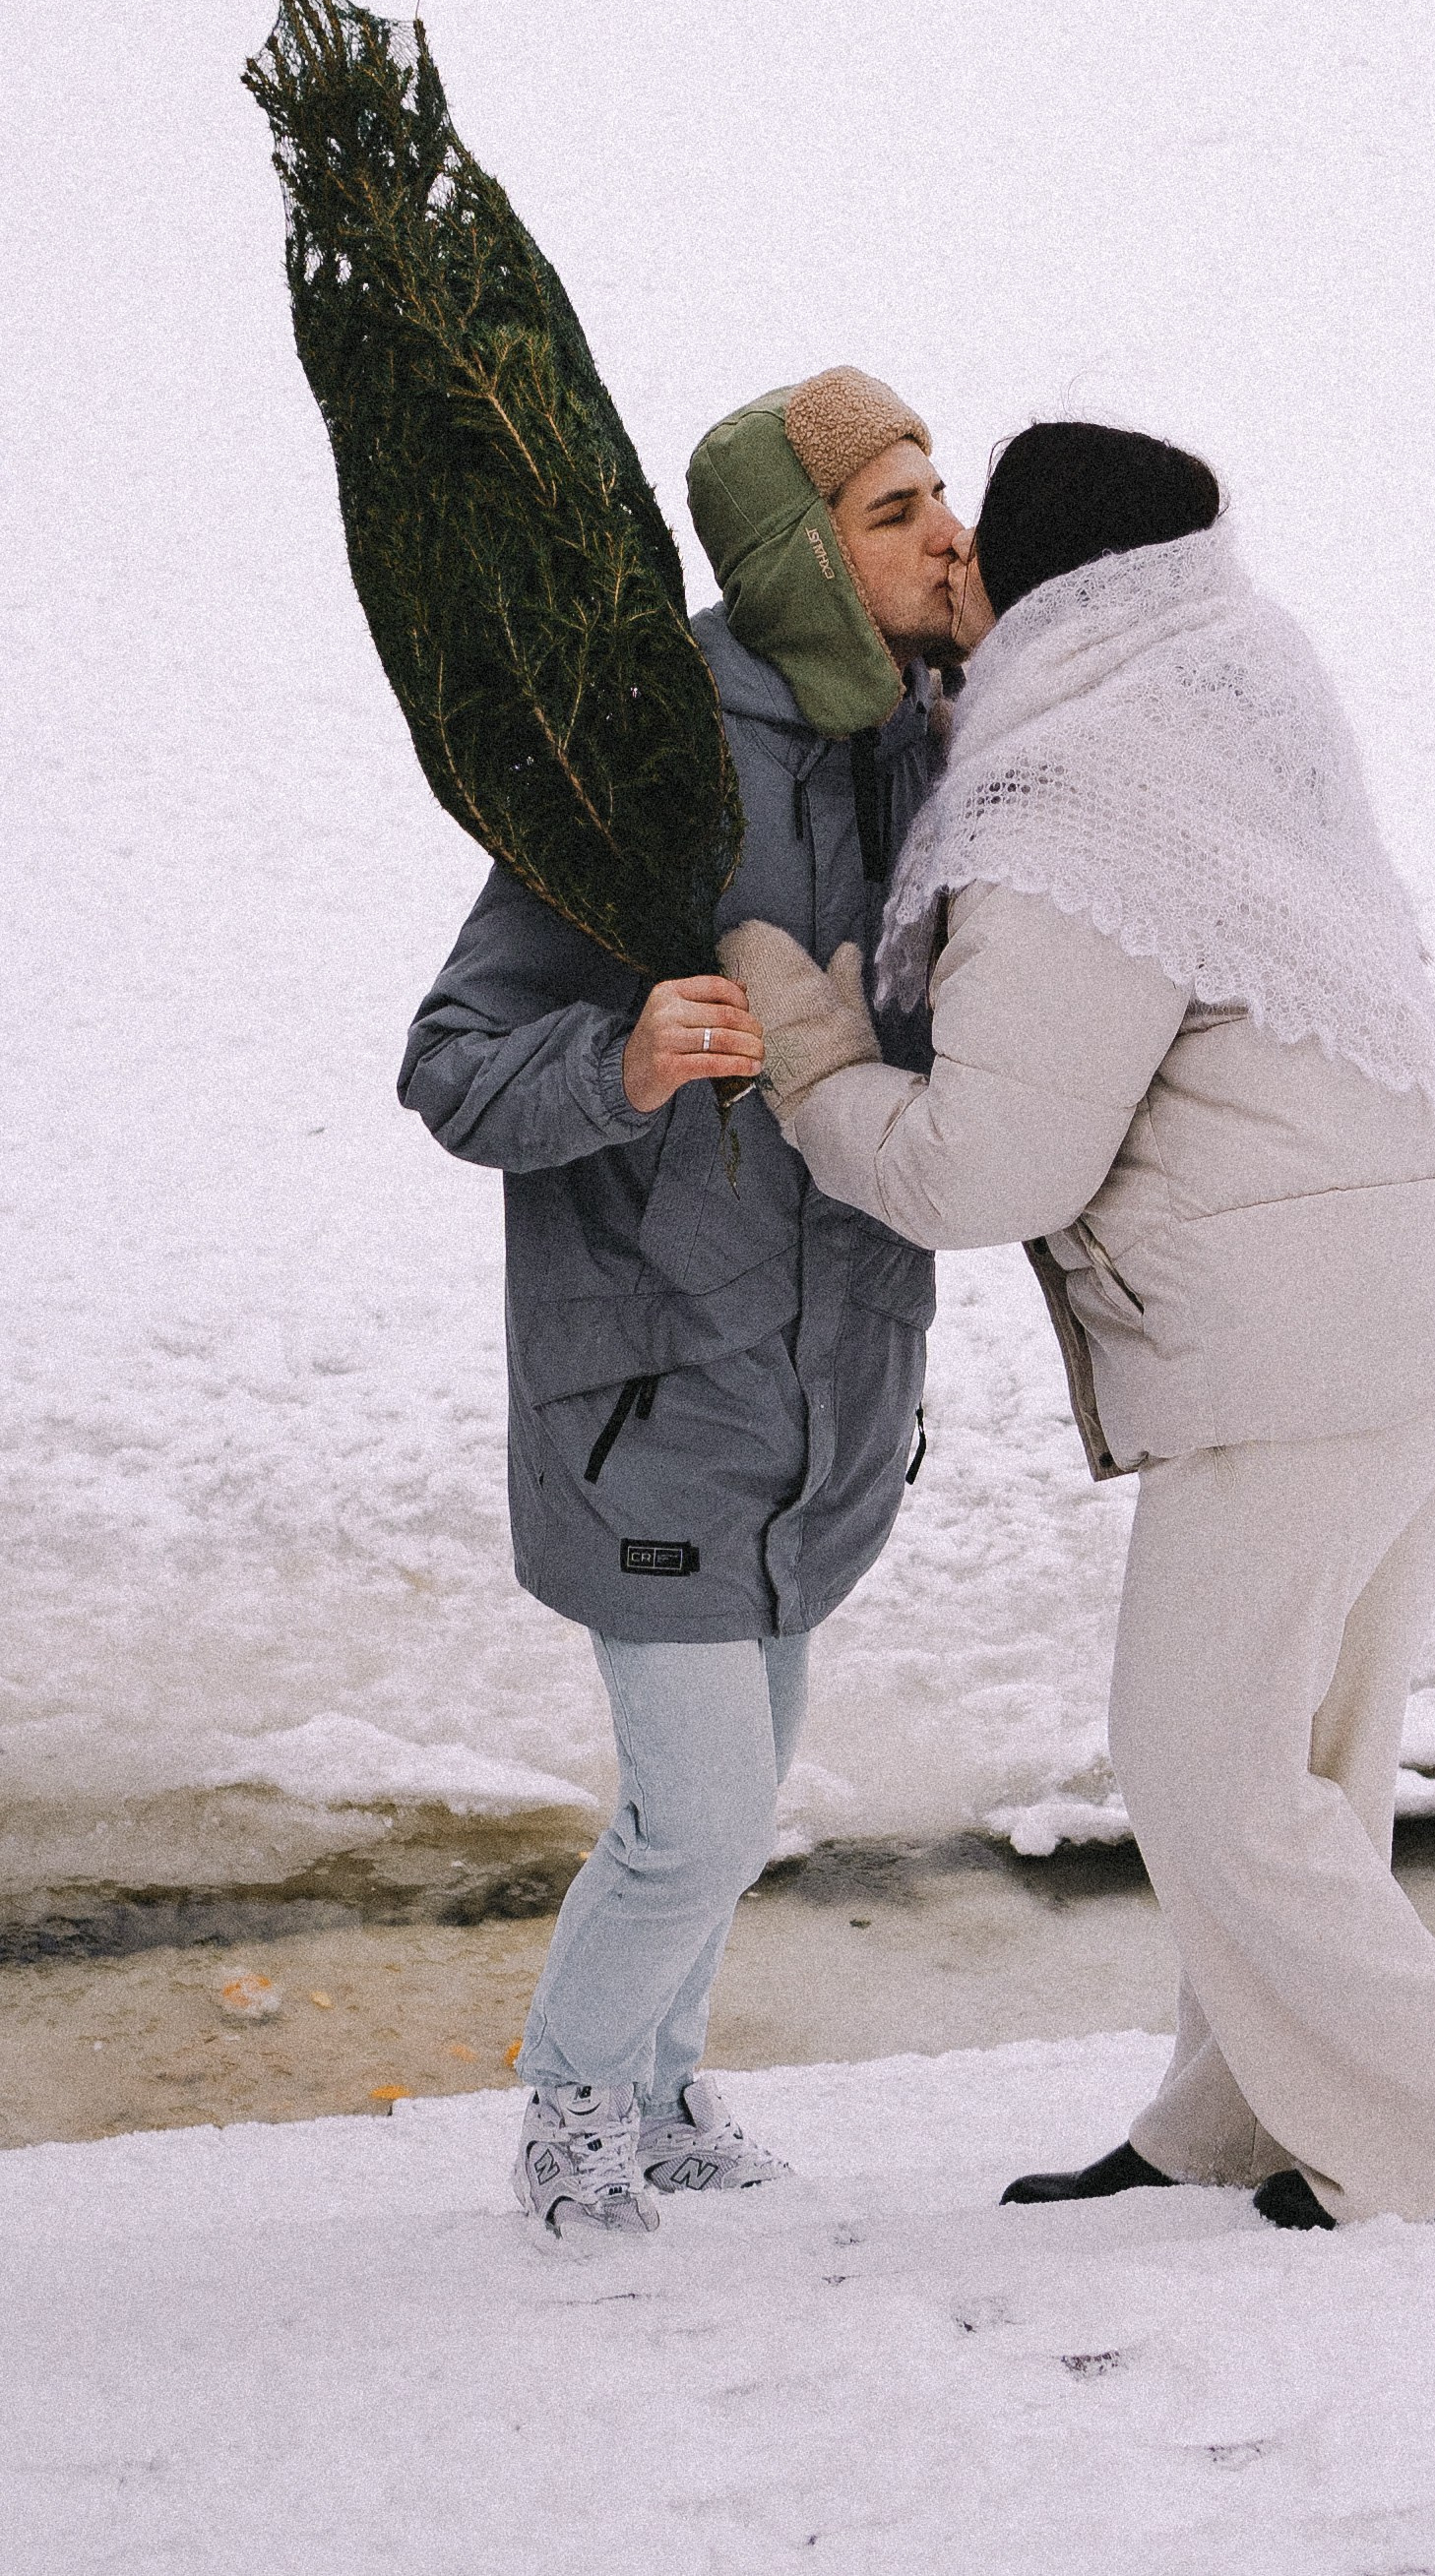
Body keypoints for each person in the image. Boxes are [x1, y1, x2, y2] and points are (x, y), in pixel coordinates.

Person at [721, 419, 1435, 2231]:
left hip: (1302, 1346)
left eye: (976, 543)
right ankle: (1241, 2117)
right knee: (1301, 1760)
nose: (951, 563)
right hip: (1417, 1302)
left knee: (1199, 1764)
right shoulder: (1230, 682)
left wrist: (809, 1057)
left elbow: (981, 1168)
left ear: (1048, 590)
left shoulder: (1066, 807)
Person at [402, 368, 965, 2246]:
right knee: (699, 1815)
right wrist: (623, 1058)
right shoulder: (642, 759)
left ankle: (660, 2088)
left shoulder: (924, 748)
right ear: (801, 553)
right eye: (893, 511)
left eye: (937, 492)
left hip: (828, 1391)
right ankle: (569, 2108)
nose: (942, 532)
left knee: (740, 1798)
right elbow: (454, 1056)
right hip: (648, 1391)